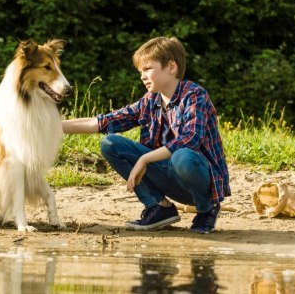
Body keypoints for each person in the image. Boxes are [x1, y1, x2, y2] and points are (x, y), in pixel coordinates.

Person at [62, 36, 231, 233]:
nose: (142, 76)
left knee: (182, 155)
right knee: (111, 143)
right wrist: (52, 126)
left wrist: (145, 159)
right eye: (141, 71)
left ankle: (207, 209)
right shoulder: (150, 100)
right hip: (171, 178)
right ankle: (159, 207)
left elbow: (190, 138)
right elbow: (104, 121)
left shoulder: (194, 94)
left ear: (171, 67)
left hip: (201, 181)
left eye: (148, 69)